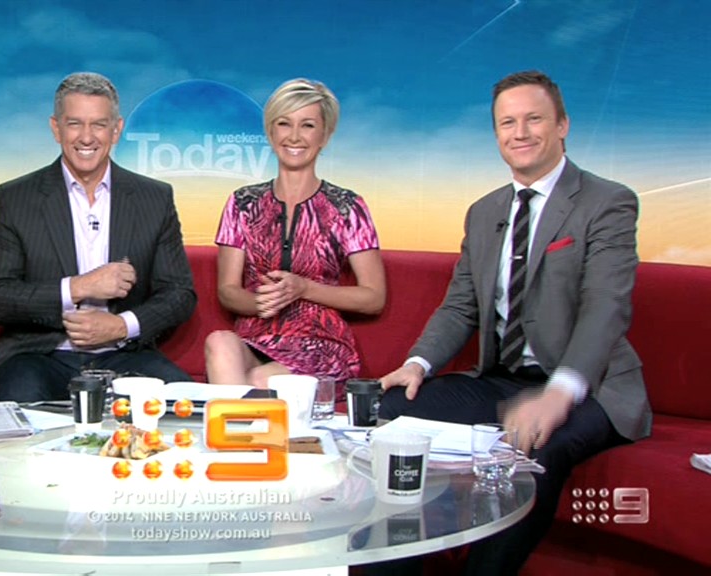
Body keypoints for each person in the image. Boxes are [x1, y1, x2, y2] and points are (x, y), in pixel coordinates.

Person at [377, 70, 651, 574]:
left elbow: (605, 306)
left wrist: (559, 393)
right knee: (391, 412)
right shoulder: (484, 212)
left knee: (533, 447)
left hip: (590, 387)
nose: (519, 133)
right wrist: (418, 363)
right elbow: (461, 305)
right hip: (503, 380)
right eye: (507, 122)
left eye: (533, 119)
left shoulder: (607, 201)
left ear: (563, 125)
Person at [0, 72, 196, 402]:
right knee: (20, 399)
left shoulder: (154, 198)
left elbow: (179, 293)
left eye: (98, 124)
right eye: (74, 124)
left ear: (116, 130)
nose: (86, 137)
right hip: (38, 356)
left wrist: (122, 325)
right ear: (56, 128)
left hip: (125, 354)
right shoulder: (15, 198)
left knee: (183, 403)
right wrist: (79, 287)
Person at [205, 79, 386, 388]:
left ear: (325, 135)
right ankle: (240, 417)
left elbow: (373, 297)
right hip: (255, 338)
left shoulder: (347, 206)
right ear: (271, 131)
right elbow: (228, 291)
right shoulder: (242, 203)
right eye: (284, 123)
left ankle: (237, 416)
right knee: (219, 343)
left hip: (320, 343)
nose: (294, 136)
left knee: (262, 379)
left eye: (308, 125)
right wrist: (266, 302)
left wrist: (302, 289)